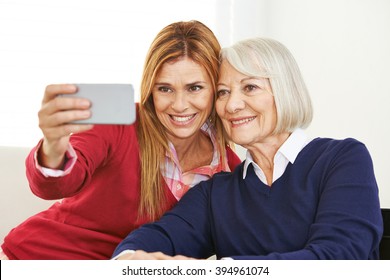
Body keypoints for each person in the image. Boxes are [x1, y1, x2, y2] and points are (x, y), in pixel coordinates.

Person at [112, 37, 383, 260]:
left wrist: (222, 270)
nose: (232, 106)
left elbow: (339, 257)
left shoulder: (342, 160)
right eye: (222, 92)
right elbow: (155, 238)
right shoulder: (216, 192)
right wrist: (128, 258)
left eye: (250, 87)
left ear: (284, 91)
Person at [0, 20, 241, 260]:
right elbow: (55, 185)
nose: (179, 105)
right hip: (34, 259)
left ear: (216, 89)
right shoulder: (121, 123)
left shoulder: (228, 168)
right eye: (164, 89)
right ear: (149, 88)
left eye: (195, 88)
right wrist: (53, 144)